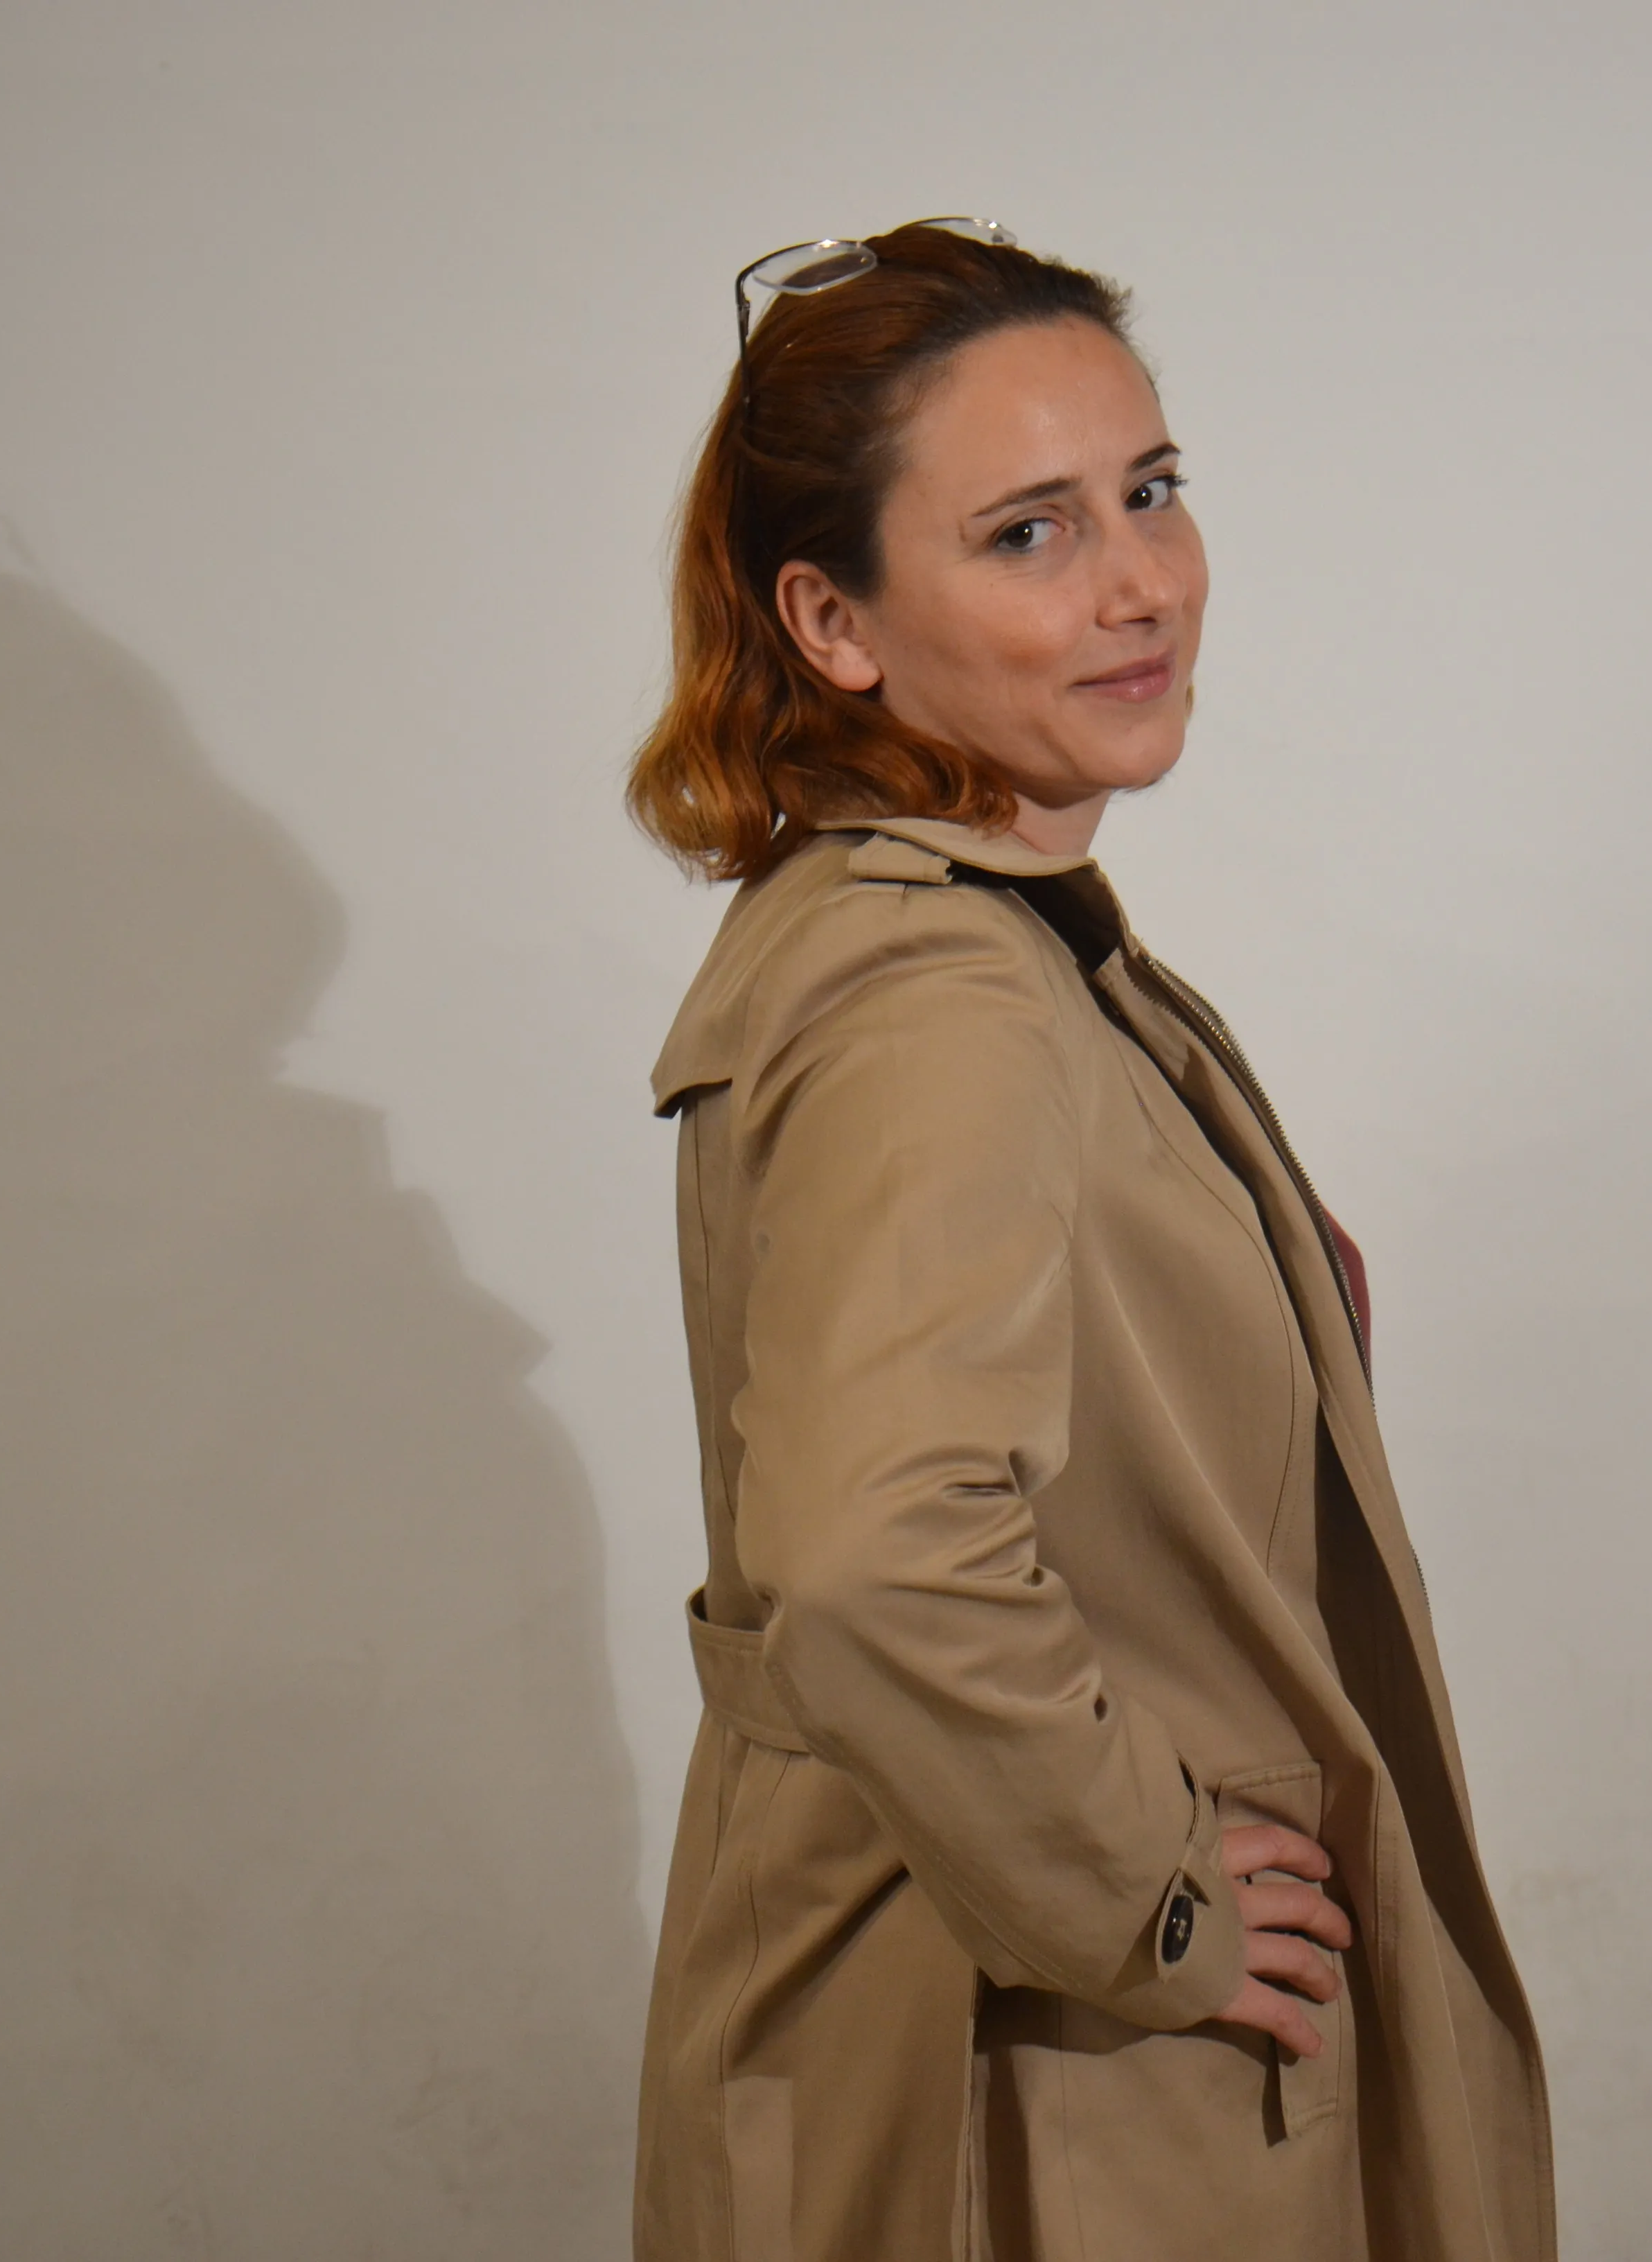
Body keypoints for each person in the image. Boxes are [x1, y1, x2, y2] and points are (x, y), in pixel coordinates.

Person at [620, 219, 1553, 2261]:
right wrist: (1152, 1895)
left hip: (1031, 2018)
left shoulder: (965, 942)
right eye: (1028, 534)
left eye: (1152, 491)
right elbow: (876, 1560)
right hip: (1032, 2070)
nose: (1140, 583)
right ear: (833, 621)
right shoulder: (935, 994)